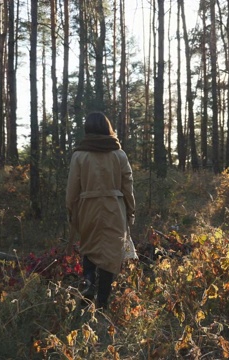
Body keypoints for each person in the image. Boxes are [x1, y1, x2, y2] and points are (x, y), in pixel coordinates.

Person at [65, 111, 136, 309]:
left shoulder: (79, 155)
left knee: (89, 247)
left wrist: (71, 210)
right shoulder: (119, 154)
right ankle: (102, 302)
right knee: (111, 254)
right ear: (108, 128)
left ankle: (88, 283)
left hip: (88, 208)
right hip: (115, 208)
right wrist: (131, 209)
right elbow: (127, 185)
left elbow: (72, 187)